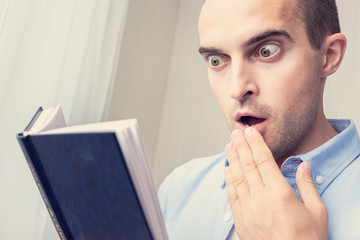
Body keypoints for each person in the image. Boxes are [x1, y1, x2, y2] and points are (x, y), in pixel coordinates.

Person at [158, 0, 360, 239]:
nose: (237, 88)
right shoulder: (178, 190)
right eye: (216, 60)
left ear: (328, 55)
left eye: (266, 51)